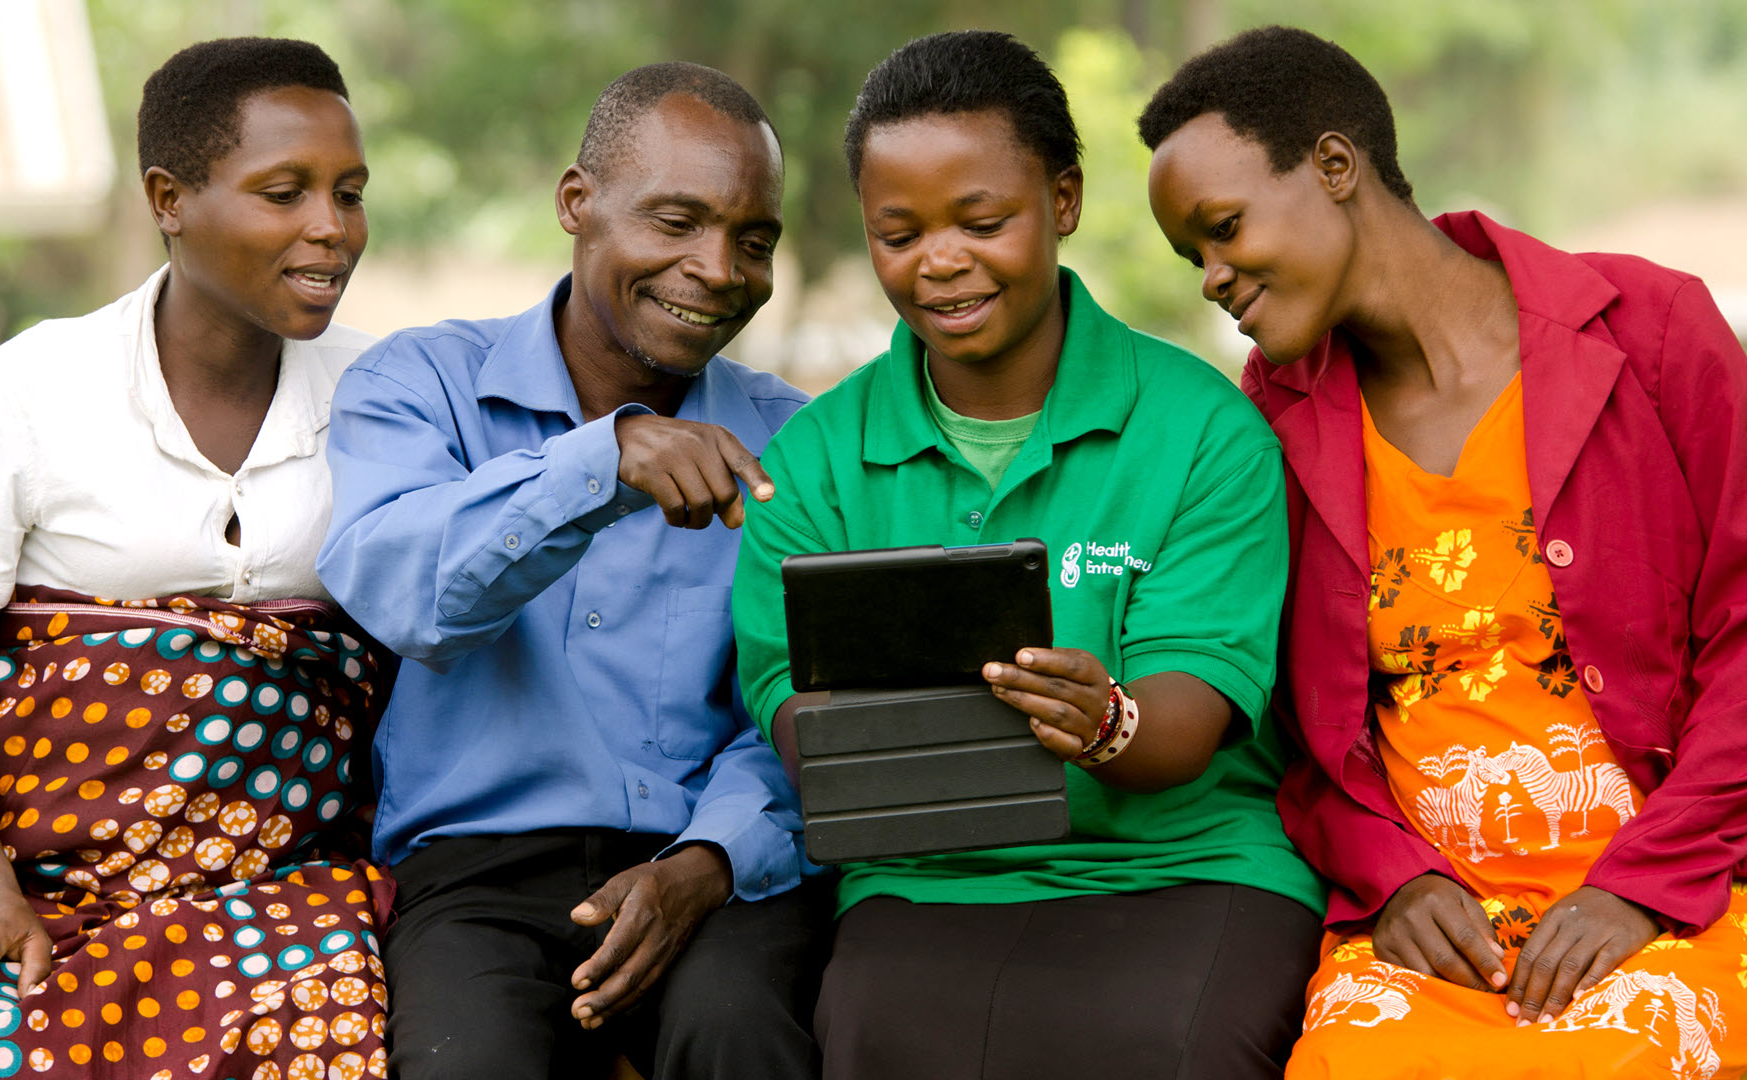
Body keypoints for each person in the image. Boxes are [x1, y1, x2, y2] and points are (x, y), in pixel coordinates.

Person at [1142, 25, 1747, 1078]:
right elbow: (1296, 731)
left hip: (1680, 892)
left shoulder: (1652, 332)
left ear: (1335, 166)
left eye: (1225, 228)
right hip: (1433, 932)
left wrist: (1638, 887)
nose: (1211, 276)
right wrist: (1395, 877)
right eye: (1195, 254)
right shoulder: (1269, 428)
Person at [731, 31, 1326, 1080]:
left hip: (1183, 864)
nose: (941, 261)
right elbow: (790, 694)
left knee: (1177, 1050)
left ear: (1063, 200)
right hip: (926, 878)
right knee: (878, 1036)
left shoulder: (1199, 430)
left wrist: (1107, 721)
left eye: (983, 220)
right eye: (898, 233)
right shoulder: (814, 462)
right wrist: (844, 743)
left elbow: (1195, 704)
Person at [0, 37, 391, 1080]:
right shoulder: (23, 396)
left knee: (317, 1051)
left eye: (349, 193)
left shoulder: (389, 398)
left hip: (279, 881)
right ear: (169, 198)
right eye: (285, 192)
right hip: (9, 857)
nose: (331, 227)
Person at [315, 61, 825, 1080]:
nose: (719, 269)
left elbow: (806, 705)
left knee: (741, 1036)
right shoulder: (421, 385)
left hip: (706, 868)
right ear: (576, 203)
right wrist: (603, 464)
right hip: (476, 877)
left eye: (754, 240)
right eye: (676, 221)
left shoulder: (792, 440)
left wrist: (709, 860)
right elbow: (401, 592)